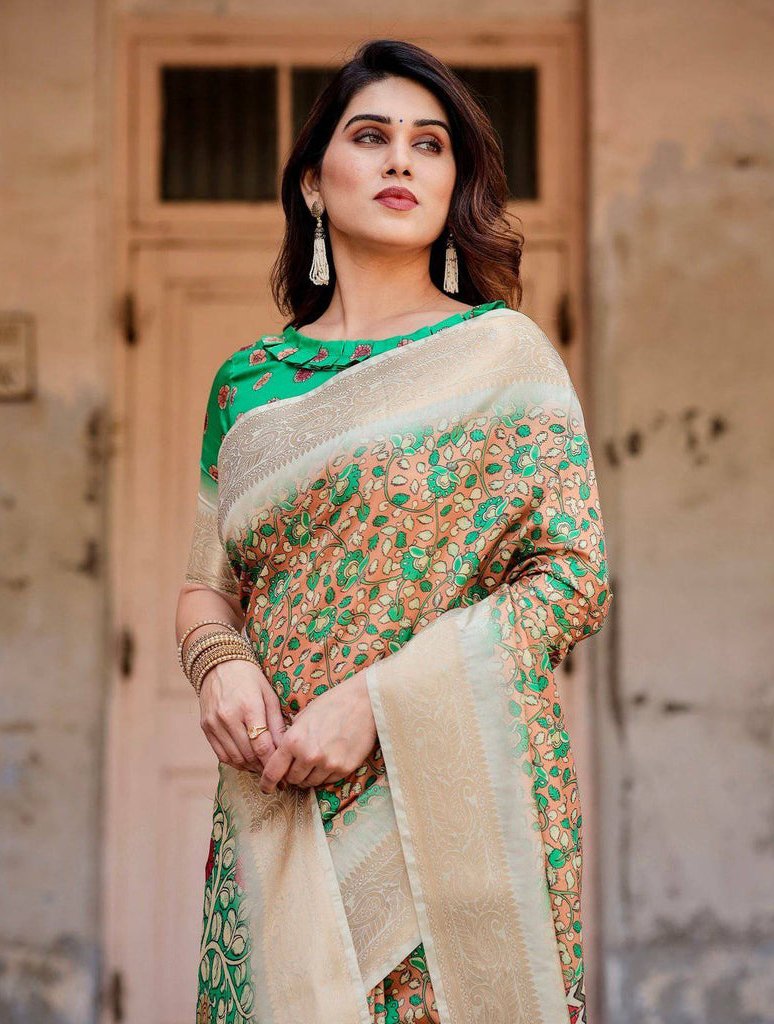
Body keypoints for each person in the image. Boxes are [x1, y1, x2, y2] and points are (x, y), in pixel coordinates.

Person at [175, 38, 613, 1024]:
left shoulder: (502, 359)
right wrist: (219, 667)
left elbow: (572, 576)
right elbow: (207, 586)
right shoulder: (248, 385)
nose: (400, 160)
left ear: (454, 186)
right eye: (370, 137)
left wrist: (377, 703)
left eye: (429, 144)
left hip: (465, 805)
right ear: (313, 182)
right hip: (281, 796)